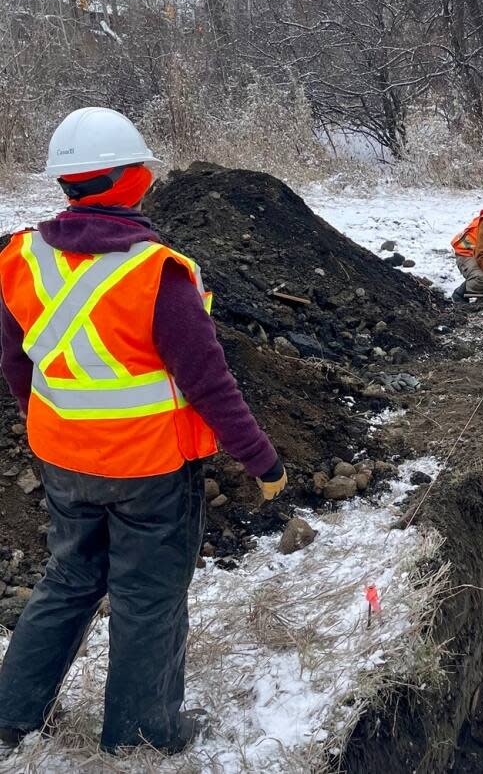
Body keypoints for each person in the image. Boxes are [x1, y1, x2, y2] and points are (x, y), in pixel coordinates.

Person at [0, 107, 286, 758]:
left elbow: (16, 361)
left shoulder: (22, 259)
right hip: (151, 473)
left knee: (68, 579)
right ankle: (140, 734)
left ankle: (12, 715)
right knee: (148, 597)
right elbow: (210, 385)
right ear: (129, 180)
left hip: (65, 463)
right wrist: (263, 462)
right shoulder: (159, 274)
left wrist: (49, 423)